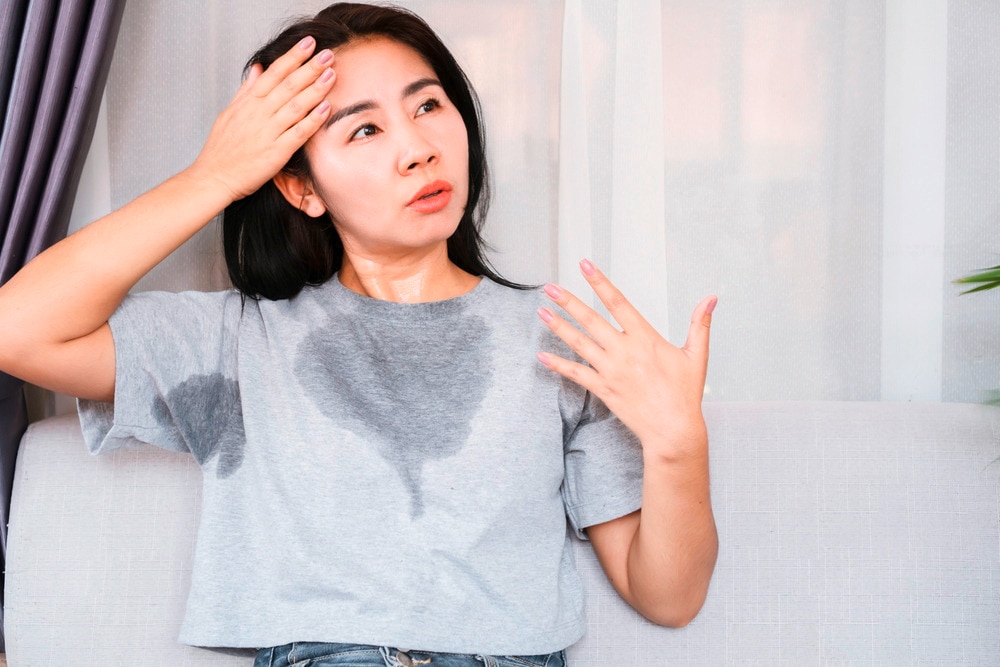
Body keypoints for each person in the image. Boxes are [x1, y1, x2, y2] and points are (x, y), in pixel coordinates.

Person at [0, 3, 718, 666]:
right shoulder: (238, 339)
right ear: (300, 186)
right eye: (366, 128)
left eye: (429, 105)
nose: (418, 149)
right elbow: (18, 329)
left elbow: (666, 594)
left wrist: (679, 444)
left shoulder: (565, 341)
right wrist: (213, 176)